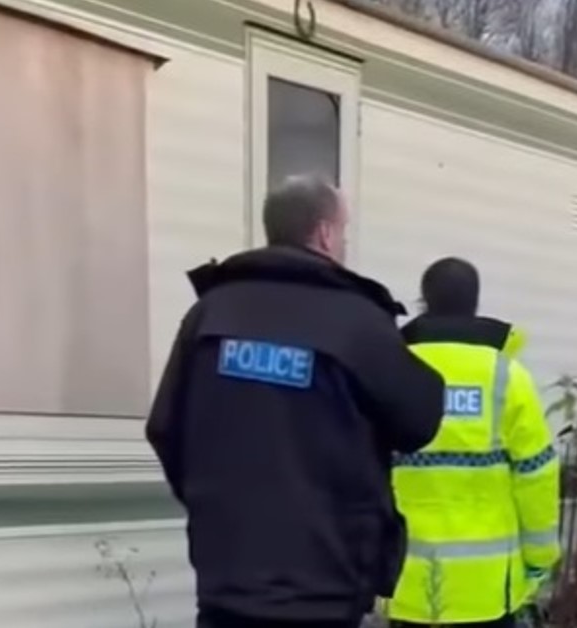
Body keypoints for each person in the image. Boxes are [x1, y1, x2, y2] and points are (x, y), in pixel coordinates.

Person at [146, 175, 445, 628]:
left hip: (228, 582)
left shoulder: (210, 315)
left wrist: (216, 507)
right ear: (325, 233)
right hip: (325, 588)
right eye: (343, 230)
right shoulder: (357, 321)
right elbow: (421, 420)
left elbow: (164, 428)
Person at [387, 258, 561, 628]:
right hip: (488, 591)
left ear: (424, 302)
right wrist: (539, 559)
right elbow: (537, 474)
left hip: (408, 588)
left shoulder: (393, 368)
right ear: (475, 303)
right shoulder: (506, 376)